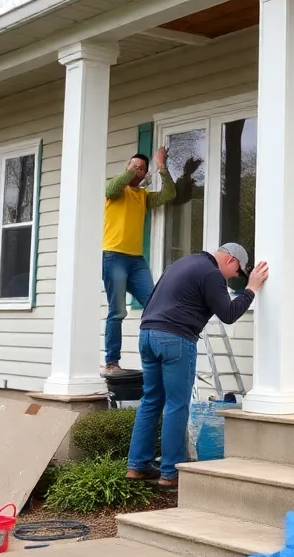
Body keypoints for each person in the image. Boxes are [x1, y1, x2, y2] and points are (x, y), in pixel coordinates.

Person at [125, 243, 268, 488]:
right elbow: (229, 314)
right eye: (237, 271)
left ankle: (137, 466)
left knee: (151, 400)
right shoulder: (212, 273)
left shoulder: (182, 263)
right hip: (175, 339)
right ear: (231, 260)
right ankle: (170, 472)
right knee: (176, 404)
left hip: (147, 334)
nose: (234, 276)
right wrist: (251, 289)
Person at [102, 148, 176, 377]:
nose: (138, 170)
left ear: (145, 174)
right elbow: (112, 187)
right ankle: (111, 362)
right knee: (118, 311)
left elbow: (169, 194)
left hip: (136, 261)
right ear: (127, 167)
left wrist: (161, 167)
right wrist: (131, 170)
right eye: (134, 166)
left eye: (142, 168)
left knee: (155, 305)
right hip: (113, 256)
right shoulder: (115, 190)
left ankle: (157, 356)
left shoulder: (143, 196)